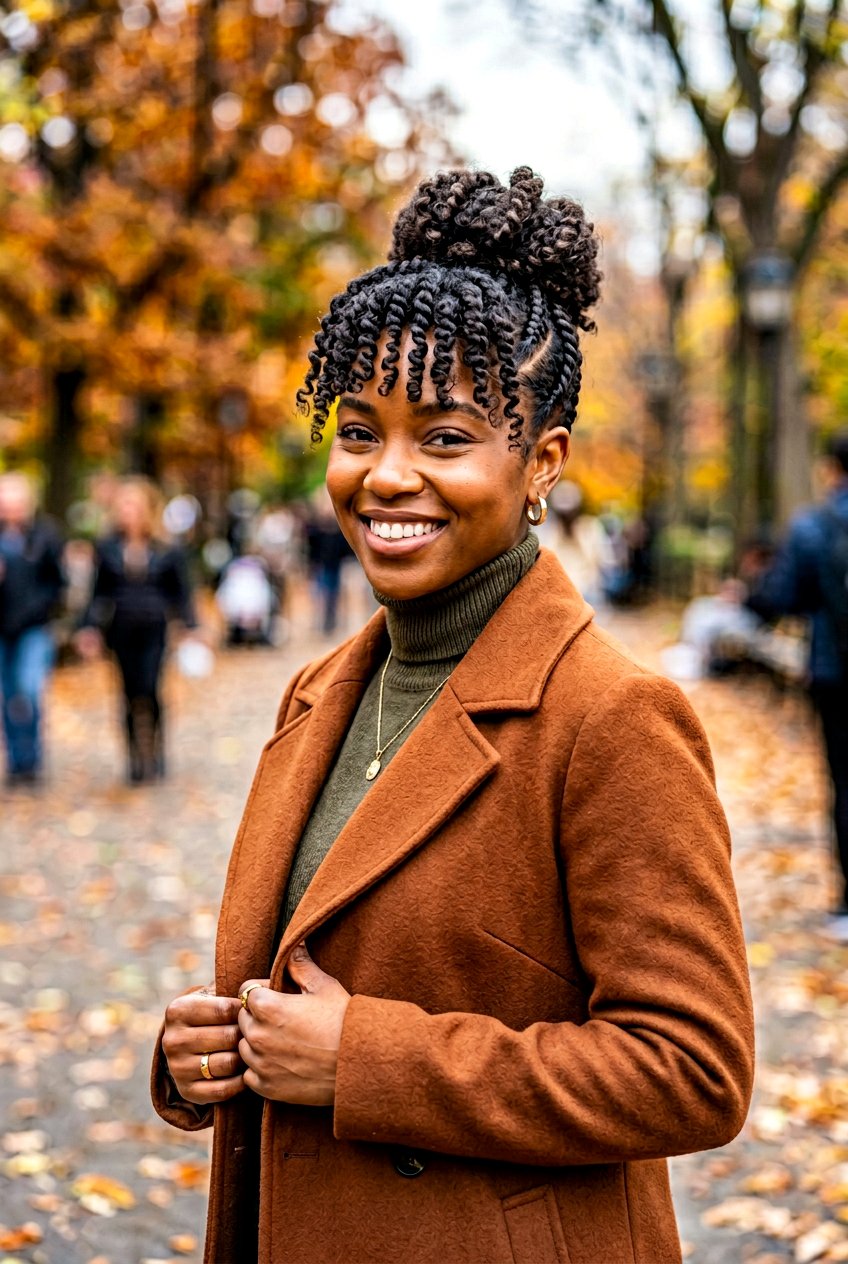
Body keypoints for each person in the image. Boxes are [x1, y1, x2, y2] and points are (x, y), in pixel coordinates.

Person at [152, 168, 754, 1264]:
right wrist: (204, 1050)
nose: (384, 475)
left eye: (442, 437)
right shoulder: (319, 692)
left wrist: (365, 1062)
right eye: (356, 430)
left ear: (542, 463)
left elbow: (692, 1070)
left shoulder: (613, 718)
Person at [747, 430, 848, 938]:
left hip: (835, 673)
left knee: (843, 780)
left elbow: (781, 598)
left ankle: (847, 905)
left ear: (832, 468)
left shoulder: (814, 526)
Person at [77, 477, 197, 784]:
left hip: (154, 627)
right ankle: (133, 757)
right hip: (121, 629)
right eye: (123, 505)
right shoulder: (107, 547)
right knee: (127, 693)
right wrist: (88, 628)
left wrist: (190, 626)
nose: (127, 511)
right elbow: (97, 592)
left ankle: (155, 751)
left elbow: (180, 592)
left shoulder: (167, 548)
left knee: (150, 687)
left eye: (133, 505)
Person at [0, 473, 64, 787]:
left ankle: (33, 758)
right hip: (2, 626)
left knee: (28, 688)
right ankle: (17, 762)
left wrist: (39, 609)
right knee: (8, 694)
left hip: (34, 627)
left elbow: (57, 583)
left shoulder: (45, 535)